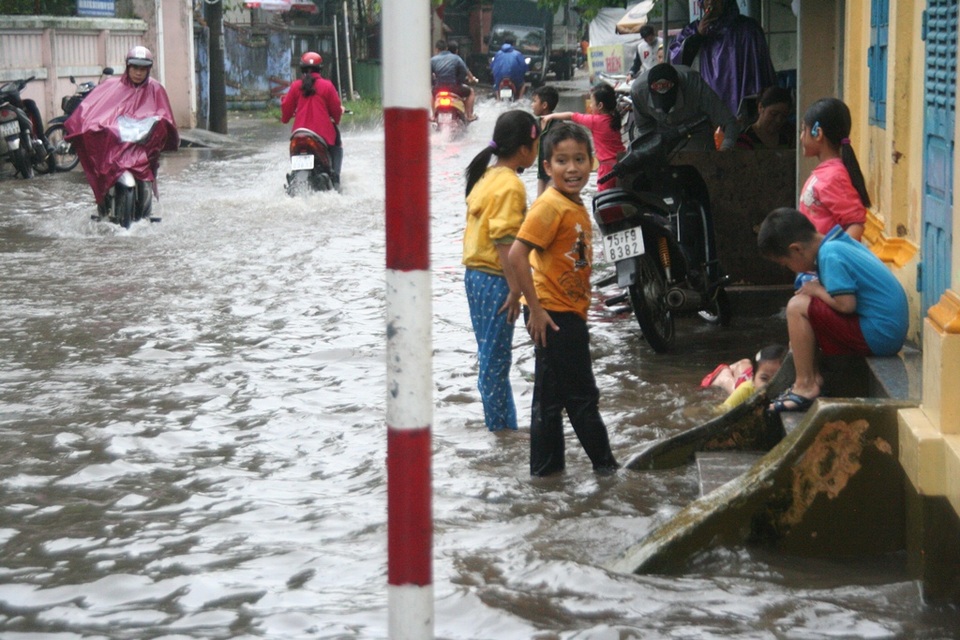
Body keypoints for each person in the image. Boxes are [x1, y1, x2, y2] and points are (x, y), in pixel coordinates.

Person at [507, 122, 619, 476]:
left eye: (579, 159)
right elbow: (516, 255)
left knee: (550, 401)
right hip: (556, 315)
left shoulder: (571, 202)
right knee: (582, 399)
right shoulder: (550, 206)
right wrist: (535, 311)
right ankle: (608, 471)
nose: (572, 168)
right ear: (547, 167)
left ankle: (546, 475)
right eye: (562, 161)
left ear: (592, 162)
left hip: (562, 312)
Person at [757, 208, 908, 412]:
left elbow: (846, 305)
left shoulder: (829, 255)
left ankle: (806, 385)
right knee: (806, 304)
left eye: (786, 263)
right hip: (886, 330)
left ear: (796, 250)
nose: (789, 269)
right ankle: (813, 376)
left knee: (796, 307)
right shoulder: (836, 243)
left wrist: (817, 290)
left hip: (880, 335)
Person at [462, 111, 541, 432]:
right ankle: (502, 433)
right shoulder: (511, 185)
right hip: (496, 280)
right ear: (525, 149)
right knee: (495, 363)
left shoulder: (488, 175)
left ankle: (499, 432)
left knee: (490, 358)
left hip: (476, 276)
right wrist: (516, 290)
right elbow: (505, 243)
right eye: (537, 145)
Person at [65, 45, 179, 217]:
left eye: (143, 69)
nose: (138, 73)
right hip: (114, 147)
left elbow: (165, 116)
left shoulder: (156, 89)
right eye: (135, 68)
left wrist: (160, 127)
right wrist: (96, 126)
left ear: (148, 69)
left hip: (141, 147)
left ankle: (146, 211)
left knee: (147, 174)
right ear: (127, 66)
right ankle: (103, 203)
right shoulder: (111, 86)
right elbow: (92, 111)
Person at [669, 0, 777, 116]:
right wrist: (698, 36)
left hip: (743, 107)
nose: (711, 2)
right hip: (707, 108)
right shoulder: (692, 30)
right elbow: (676, 63)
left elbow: (761, 74)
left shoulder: (748, 29)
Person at [798, 97, 870, 242]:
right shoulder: (826, 173)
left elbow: (856, 224)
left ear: (817, 133)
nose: (800, 137)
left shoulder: (834, 176)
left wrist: (832, 254)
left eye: (803, 130)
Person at [631, 63, 739, 152]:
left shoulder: (695, 86)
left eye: (669, 101)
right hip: (662, 135)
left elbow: (728, 121)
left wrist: (726, 149)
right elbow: (643, 127)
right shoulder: (638, 92)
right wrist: (650, 149)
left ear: (679, 88)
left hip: (696, 130)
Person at [541, 82, 625, 191]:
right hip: (621, 163)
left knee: (604, 200)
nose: (590, 105)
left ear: (600, 105)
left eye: (592, 102)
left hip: (607, 168)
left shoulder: (595, 121)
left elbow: (571, 116)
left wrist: (550, 116)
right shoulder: (614, 118)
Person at [281, 51, 344, 187]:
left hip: (298, 135)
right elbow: (336, 113)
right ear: (320, 69)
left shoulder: (295, 86)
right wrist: (337, 115)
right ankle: (336, 179)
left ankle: (294, 177)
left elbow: (285, 115)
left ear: (301, 69)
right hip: (322, 136)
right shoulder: (327, 86)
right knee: (338, 144)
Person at [705, 344, 788, 410]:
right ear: (753, 379)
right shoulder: (746, 388)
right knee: (734, 389)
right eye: (764, 379)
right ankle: (723, 377)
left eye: (777, 377)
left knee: (744, 363)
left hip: (754, 372)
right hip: (745, 379)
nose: (770, 384)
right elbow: (721, 410)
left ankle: (742, 363)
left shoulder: (792, 385)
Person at [430, 39, 477, 122]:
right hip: (454, 88)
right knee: (471, 92)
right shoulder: (456, 58)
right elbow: (465, 71)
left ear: (436, 49)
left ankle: (434, 115)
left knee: (431, 94)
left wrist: (433, 81)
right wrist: (467, 79)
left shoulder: (433, 60)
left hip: (439, 88)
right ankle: (469, 115)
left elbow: (428, 74)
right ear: (447, 48)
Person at [735, 86, 794, 150]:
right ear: (760, 107)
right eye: (773, 114)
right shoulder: (744, 139)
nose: (778, 120)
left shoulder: (788, 138)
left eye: (784, 116)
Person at [530, 84, 559, 196]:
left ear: (544, 105)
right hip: (542, 174)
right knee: (539, 202)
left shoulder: (557, 126)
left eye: (535, 101)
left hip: (555, 173)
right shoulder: (536, 125)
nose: (532, 105)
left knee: (548, 202)